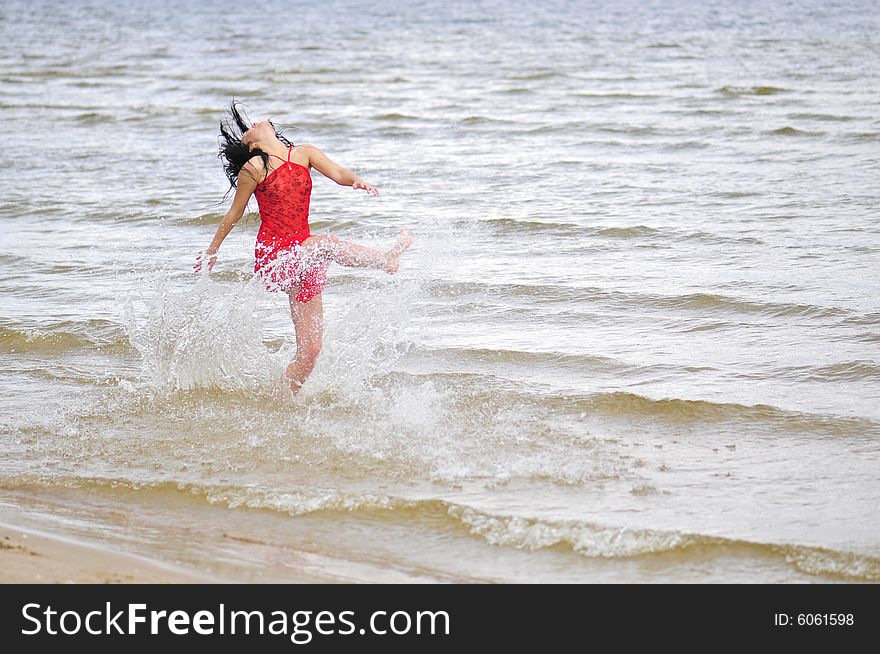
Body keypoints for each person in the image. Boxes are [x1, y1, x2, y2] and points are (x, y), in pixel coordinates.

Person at [194, 102, 413, 395]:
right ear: (251, 145)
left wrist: (356, 181)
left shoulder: (304, 153)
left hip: (306, 255)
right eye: (248, 129)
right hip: (277, 253)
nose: (255, 123)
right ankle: (387, 259)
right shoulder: (254, 167)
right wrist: (213, 250)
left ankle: (280, 398)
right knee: (326, 244)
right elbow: (234, 213)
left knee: (311, 351)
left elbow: (338, 173)